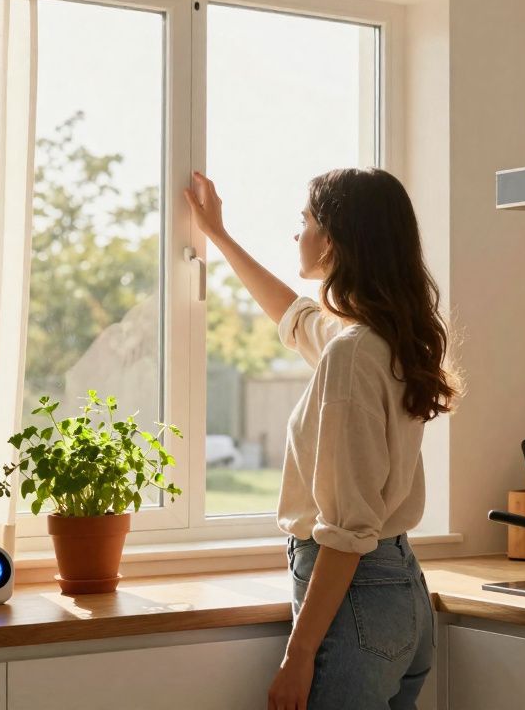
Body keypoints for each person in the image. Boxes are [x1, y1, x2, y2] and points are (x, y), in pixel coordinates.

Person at [185, 168, 458, 710]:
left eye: (304, 221)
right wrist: (219, 236)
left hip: (355, 603)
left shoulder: (352, 354)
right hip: (400, 595)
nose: (297, 234)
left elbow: (346, 529)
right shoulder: (384, 339)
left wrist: (298, 654)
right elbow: (294, 316)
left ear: (331, 239)